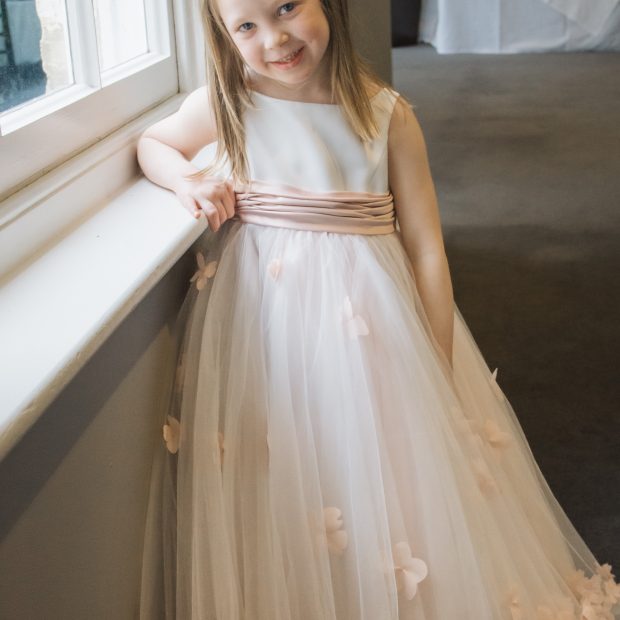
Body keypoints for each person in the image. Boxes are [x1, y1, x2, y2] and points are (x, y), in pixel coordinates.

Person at [136, 0, 620, 618]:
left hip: (367, 324)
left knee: (386, 470)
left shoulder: (385, 113)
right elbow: (154, 142)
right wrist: (187, 181)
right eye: (247, 26)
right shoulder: (228, 103)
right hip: (267, 327)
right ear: (224, 36)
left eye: (287, 7)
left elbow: (427, 249)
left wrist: (437, 358)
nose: (275, 38)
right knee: (291, 466)